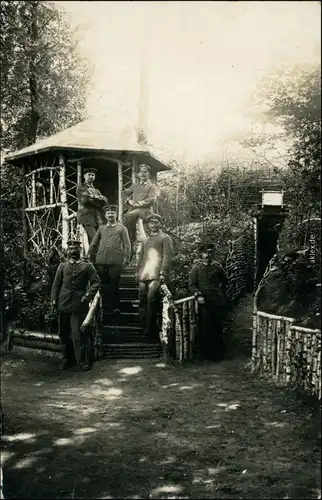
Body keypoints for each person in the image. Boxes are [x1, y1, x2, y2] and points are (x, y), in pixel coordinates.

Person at [51, 239, 101, 371]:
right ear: (68, 250)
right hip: (63, 303)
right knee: (63, 333)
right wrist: (54, 300)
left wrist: (87, 295)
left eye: (76, 249)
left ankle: (81, 361)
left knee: (77, 334)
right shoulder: (62, 266)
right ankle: (66, 359)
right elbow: (56, 285)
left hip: (78, 305)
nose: (73, 251)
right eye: (71, 249)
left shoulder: (87, 266)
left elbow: (96, 282)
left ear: (80, 250)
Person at [188, 242, 228, 361]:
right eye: (205, 252)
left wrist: (221, 293)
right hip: (203, 302)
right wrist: (198, 295)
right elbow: (192, 285)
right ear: (201, 254)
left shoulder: (217, 267)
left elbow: (225, 282)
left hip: (217, 301)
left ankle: (219, 354)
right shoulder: (196, 268)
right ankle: (205, 355)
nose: (207, 255)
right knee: (205, 326)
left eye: (210, 252)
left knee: (218, 325)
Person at [88, 205, 131, 313]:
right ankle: (105, 307)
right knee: (103, 284)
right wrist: (89, 254)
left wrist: (125, 259)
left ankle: (115, 306)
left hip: (115, 261)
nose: (110, 215)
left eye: (112, 213)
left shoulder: (121, 228)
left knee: (114, 284)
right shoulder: (101, 228)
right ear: (105, 215)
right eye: (108, 213)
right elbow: (94, 243)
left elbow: (127, 245)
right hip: (101, 260)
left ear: (116, 215)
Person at [136, 213, 173, 342]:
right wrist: (137, 272)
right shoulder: (146, 240)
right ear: (148, 225)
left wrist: (163, 272)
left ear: (160, 224)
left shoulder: (165, 238)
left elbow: (167, 256)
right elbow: (141, 257)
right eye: (151, 223)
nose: (153, 225)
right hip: (144, 273)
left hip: (156, 273)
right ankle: (143, 326)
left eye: (156, 222)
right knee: (142, 298)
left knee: (151, 299)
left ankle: (150, 330)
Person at [123, 164, 159, 246]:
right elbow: (124, 193)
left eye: (144, 172)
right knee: (126, 219)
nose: (142, 174)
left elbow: (151, 200)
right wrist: (129, 201)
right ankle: (130, 241)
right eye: (140, 172)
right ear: (138, 174)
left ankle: (136, 240)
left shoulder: (152, 186)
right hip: (133, 209)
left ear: (148, 174)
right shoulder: (135, 186)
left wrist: (138, 204)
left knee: (130, 215)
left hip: (145, 210)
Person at [76, 167, 108, 244]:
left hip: (97, 216)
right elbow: (85, 201)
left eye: (93, 175)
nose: (91, 176)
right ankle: (91, 256)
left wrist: (94, 196)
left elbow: (105, 201)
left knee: (101, 238)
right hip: (86, 216)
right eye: (89, 174)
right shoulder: (81, 188)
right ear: (84, 176)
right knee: (94, 239)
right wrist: (98, 199)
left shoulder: (96, 190)